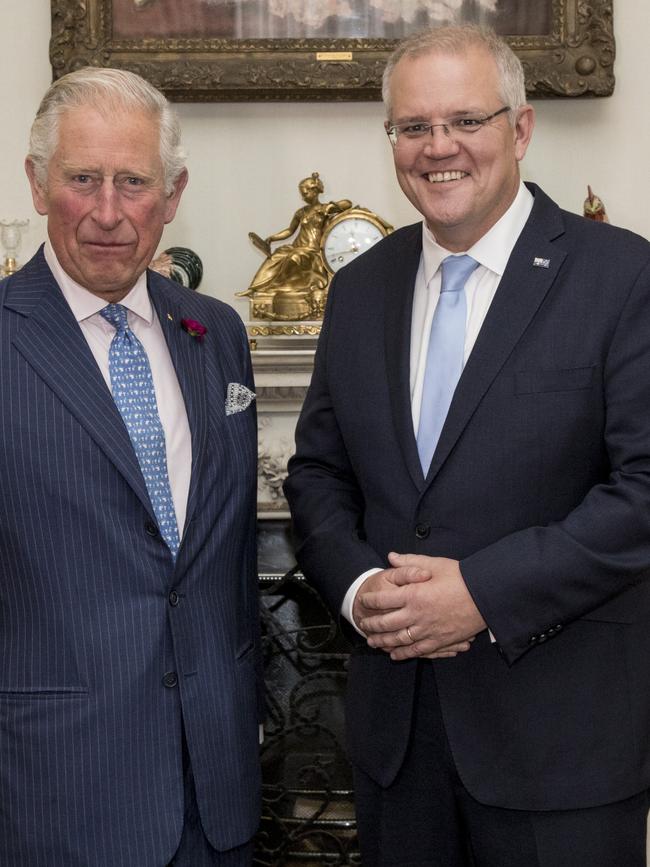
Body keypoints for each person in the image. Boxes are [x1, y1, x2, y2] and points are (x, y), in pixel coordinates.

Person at [284, 23, 650, 867]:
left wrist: (483, 591)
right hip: (397, 747)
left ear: (520, 129)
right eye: (413, 127)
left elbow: (641, 492)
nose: (438, 147)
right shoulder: (361, 287)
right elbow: (317, 474)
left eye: (465, 121)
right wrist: (360, 585)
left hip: (563, 753)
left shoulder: (620, 275)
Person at [0, 67, 262, 866]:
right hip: (55, 792)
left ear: (172, 194)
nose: (109, 212)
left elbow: (226, 555)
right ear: (38, 184)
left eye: (133, 182)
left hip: (216, 791)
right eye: (83, 179)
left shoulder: (215, 332)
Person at [242, 172, 351, 319]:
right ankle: (257, 288)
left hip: (313, 250)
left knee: (294, 258)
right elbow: (289, 230)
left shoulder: (324, 209)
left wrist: (331, 207)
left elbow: (347, 204)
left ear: (315, 191)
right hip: (298, 245)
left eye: (305, 193)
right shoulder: (301, 212)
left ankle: (277, 286)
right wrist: (271, 238)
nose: (303, 197)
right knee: (276, 256)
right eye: (302, 194)